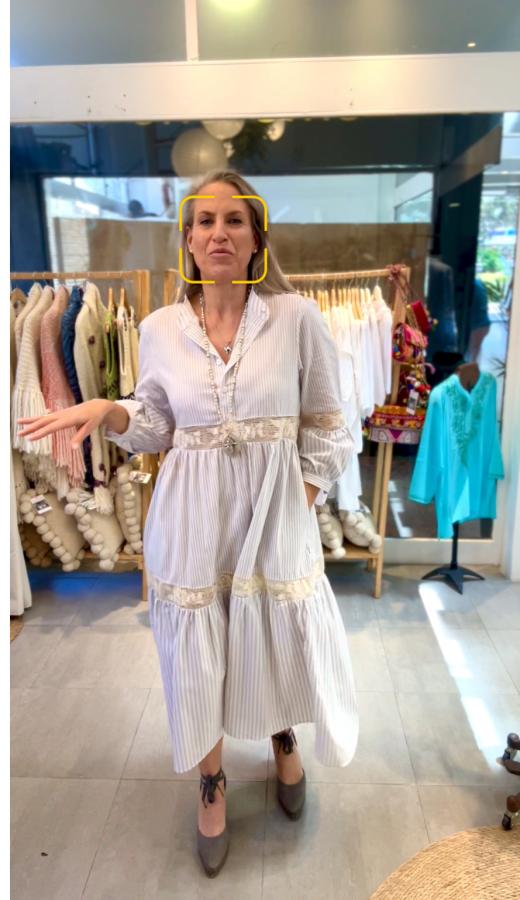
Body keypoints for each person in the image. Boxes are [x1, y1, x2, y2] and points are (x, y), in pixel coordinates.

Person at [17, 168, 359, 878]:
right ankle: (211, 779)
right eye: (204, 221)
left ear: (257, 237)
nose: (218, 233)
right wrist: (109, 411)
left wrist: (295, 503)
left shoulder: (296, 318)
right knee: (199, 653)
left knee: (273, 633)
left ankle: (282, 735)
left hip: (275, 519)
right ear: (188, 240)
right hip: (191, 519)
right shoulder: (159, 328)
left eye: (234, 220)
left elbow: (329, 422)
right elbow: (154, 424)